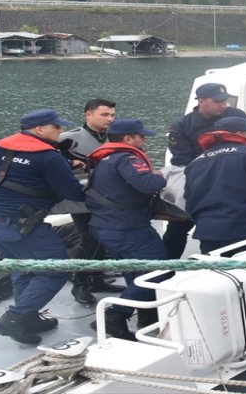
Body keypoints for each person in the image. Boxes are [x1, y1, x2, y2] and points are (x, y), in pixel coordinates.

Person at [0, 109, 86, 345]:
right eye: (56, 127)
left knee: (23, 268)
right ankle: (15, 317)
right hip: (23, 227)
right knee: (58, 269)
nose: (61, 131)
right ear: (40, 129)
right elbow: (72, 192)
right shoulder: (48, 156)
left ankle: (29, 319)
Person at [83, 118, 167, 340]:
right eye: (141, 136)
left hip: (105, 225)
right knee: (157, 271)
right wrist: (159, 176)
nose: (144, 140)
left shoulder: (105, 159)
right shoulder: (126, 158)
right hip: (127, 228)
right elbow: (148, 185)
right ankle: (115, 316)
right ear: (128, 138)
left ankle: (147, 315)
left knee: (134, 271)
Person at [163, 83, 246, 258]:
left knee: (232, 229)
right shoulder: (182, 126)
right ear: (201, 101)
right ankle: (166, 268)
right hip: (200, 184)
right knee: (178, 228)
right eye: (218, 101)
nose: (223, 105)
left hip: (234, 182)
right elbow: (182, 161)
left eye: (225, 100)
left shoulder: (237, 116)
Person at [183, 116, 246, 256]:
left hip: (208, 231)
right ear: (240, 134)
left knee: (217, 268)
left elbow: (188, 199)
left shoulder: (194, 163)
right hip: (245, 228)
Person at [59, 98, 122, 306]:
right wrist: (70, 164)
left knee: (103, 238)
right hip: (81, 198)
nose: (110, 119)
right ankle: (80, 283)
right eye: (104, 115)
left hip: (109, 198)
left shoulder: (116, 137)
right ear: (88, 114)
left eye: (112, 115)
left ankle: (96, 278)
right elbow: (48, 161)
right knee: (88, 239)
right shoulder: (67, 139)